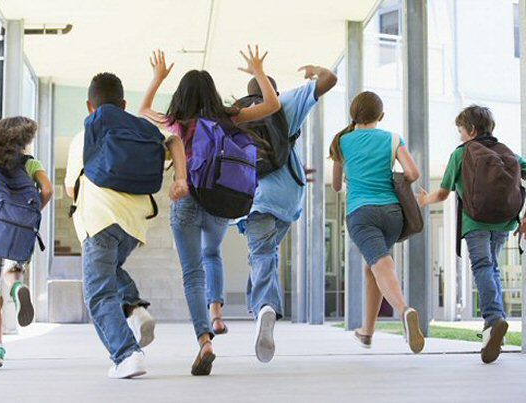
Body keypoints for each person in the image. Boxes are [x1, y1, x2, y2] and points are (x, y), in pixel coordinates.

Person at [139, 46, 280, 375]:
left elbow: (144, 108)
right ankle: (217, 310)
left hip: (186, 198)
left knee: (192, 274)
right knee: (212, 253)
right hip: (220, 201)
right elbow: (272, 105)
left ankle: (204, 340)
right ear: (212, 93)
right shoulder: (229, 117)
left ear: (182, 96)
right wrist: (258, 70)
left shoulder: (177, 122)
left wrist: (158, 77)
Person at [64, 72, 188, 379]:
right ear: (123, 104)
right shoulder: (142, 133)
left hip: (99, 220)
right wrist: (181, 178)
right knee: (110, 272)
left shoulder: (85, 135)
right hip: (133, 226)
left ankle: (127, 355)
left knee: (98, 291)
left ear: (90, 107)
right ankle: (135, 307)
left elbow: (70, 189)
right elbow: (173, 141)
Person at [225, 64, 337, 363]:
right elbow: (330, 80)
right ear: (273, 92)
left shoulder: (236, 115)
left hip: (251, 197)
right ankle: (262, 308)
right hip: (287, 196)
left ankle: (265, 307)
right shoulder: (285, 103)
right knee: (264, 256)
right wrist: (315, 70)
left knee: (262, 256)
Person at [419, 105, 526, 364]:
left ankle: (493, 319)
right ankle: (493, 326)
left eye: (460, 131)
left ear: (472, 130)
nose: (459, 137)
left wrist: (424, 200)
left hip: (475, 221)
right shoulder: (508, 153)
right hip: (503, 222)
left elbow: (443, 194)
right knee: (492, 268)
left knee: (482, 266)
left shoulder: (461, 154)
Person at [331, 91, 425, 354]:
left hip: (362, 214)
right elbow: (413, 173)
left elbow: (337, 185)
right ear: (380, 116)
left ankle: (404, 310)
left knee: (382, 264)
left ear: (353, 114)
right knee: (372, 267)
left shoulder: (341, 141)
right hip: (393, 214)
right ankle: (367, 332)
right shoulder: (393, 138)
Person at [0, 116, 54, 370]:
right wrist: (30, 215)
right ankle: (17, 287)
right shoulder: (31, 163)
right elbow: (48, 189)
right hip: (20, 230)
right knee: (13, 269)